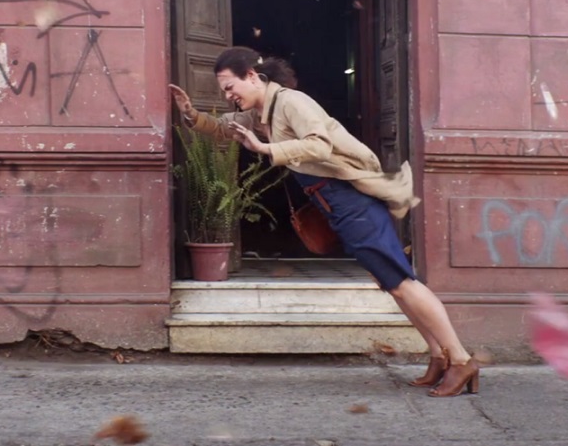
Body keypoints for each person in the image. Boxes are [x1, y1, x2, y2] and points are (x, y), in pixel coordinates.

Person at [169, 46, 479, 397]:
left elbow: (319, 145)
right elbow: (225, 128)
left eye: (229, 87)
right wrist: (191, 114)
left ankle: (461, 359)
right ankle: (439, 356)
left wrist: (266, 149)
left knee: (401, 281)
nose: (227, 96)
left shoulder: (292, 102)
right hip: (336, 202)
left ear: (252, 76)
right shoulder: (261, 113)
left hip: (352, 198)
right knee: (391, 281)